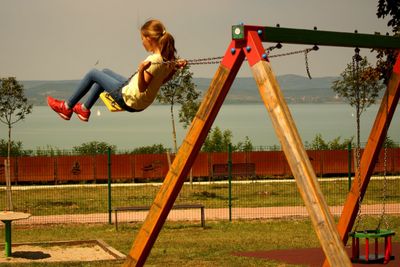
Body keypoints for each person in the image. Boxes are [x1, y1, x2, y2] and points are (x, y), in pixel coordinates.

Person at [47, 19, 186, 122]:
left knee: (93, 73)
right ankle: (84, 109)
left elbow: (143, 87)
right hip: (136, 98)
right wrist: (175, 69)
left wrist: (142, 70)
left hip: (129, 99)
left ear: (149, 39)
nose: (141, 42)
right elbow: (160, 82)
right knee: (105, 71)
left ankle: (66, 107)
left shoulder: (154, 60)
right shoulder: (165, 60)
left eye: (142, 38)